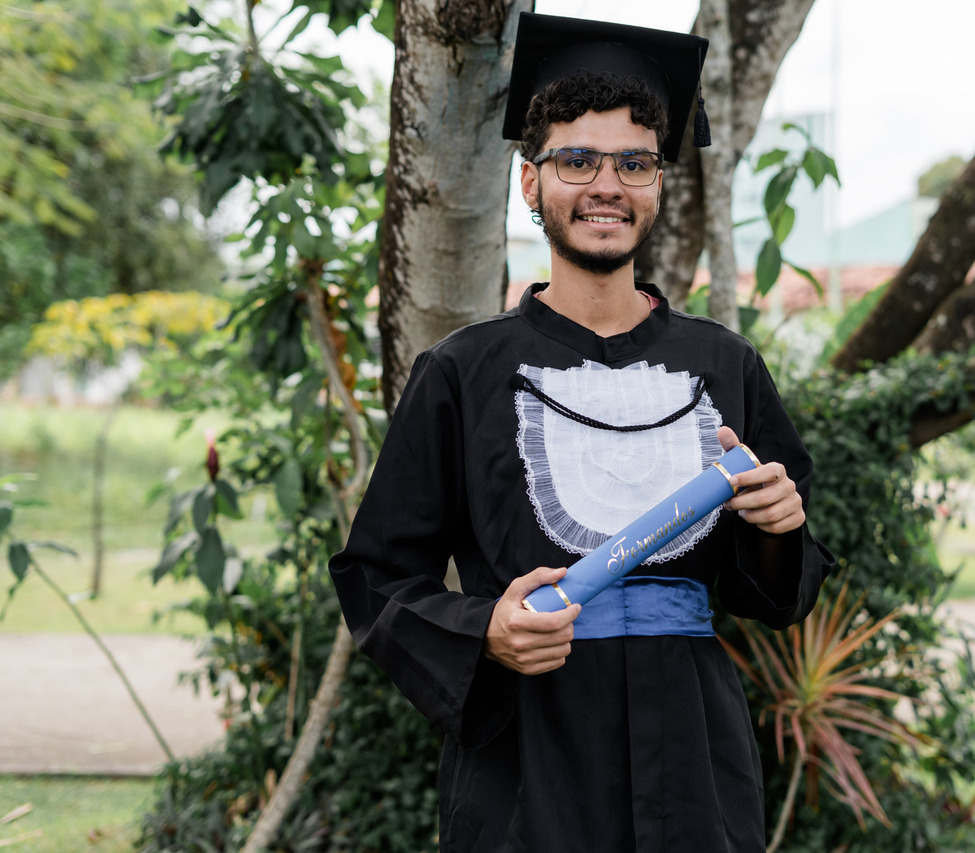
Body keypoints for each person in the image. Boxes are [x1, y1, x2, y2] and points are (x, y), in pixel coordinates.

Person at [329, 12, 833, 853]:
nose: (608, 184)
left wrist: (780, 529)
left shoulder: (725, 364)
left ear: (659, 185)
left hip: (694, 760)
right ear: (531, 183)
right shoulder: (461, 372)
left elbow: (777, 595)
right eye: (577, 161)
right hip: (527, 765)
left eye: (635, 163)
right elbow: (376, 576)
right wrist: (486, 629)